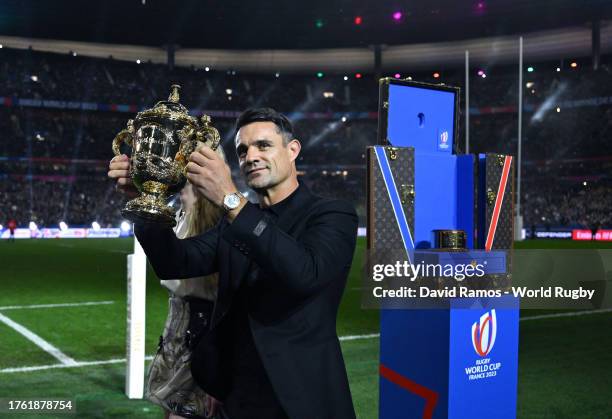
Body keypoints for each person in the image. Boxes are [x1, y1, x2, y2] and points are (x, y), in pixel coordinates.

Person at [109, 108, 358, 419]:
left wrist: (230, 198)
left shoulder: (332, 214)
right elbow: (175, 262)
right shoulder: (235, 221)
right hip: (237, 397)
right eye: (243, 150)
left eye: (263, 145)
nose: (251, 156)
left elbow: (304, 273)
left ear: (292, 150)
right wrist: (147, 199)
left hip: (299, 399)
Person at [109, 151, 224, 419]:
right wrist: (139, 196)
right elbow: (168, 262)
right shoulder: (180, 209)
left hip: (203, 336)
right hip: (175, 331)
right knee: (168, 411)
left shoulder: (217, 217)